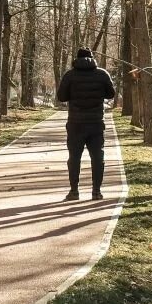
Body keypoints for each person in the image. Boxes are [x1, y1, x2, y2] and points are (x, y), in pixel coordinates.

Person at [55, 47, 116, 201]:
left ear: (77, 58)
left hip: (76, 123)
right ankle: (96, 191)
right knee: (97, 157)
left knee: (74, 157)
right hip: (96, 123)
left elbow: (61, 97)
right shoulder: (102, 74)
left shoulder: (70, 75)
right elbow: (111, 94)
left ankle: (74, 191)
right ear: (92, 57)